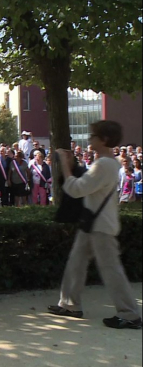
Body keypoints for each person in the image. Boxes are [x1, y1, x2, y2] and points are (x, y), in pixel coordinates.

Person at [48, 120, 142, 329]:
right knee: (76, 262)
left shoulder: (104, 165)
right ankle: (70, 304)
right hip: (94, 222)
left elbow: (76, 189)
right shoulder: (108, 163)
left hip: (99, 226)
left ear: (104, 139)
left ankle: (130, 314)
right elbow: (90, 184)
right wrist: (73, 165)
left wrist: (65, 166)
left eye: (93, 136)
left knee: (111, 270)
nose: (90, 139)